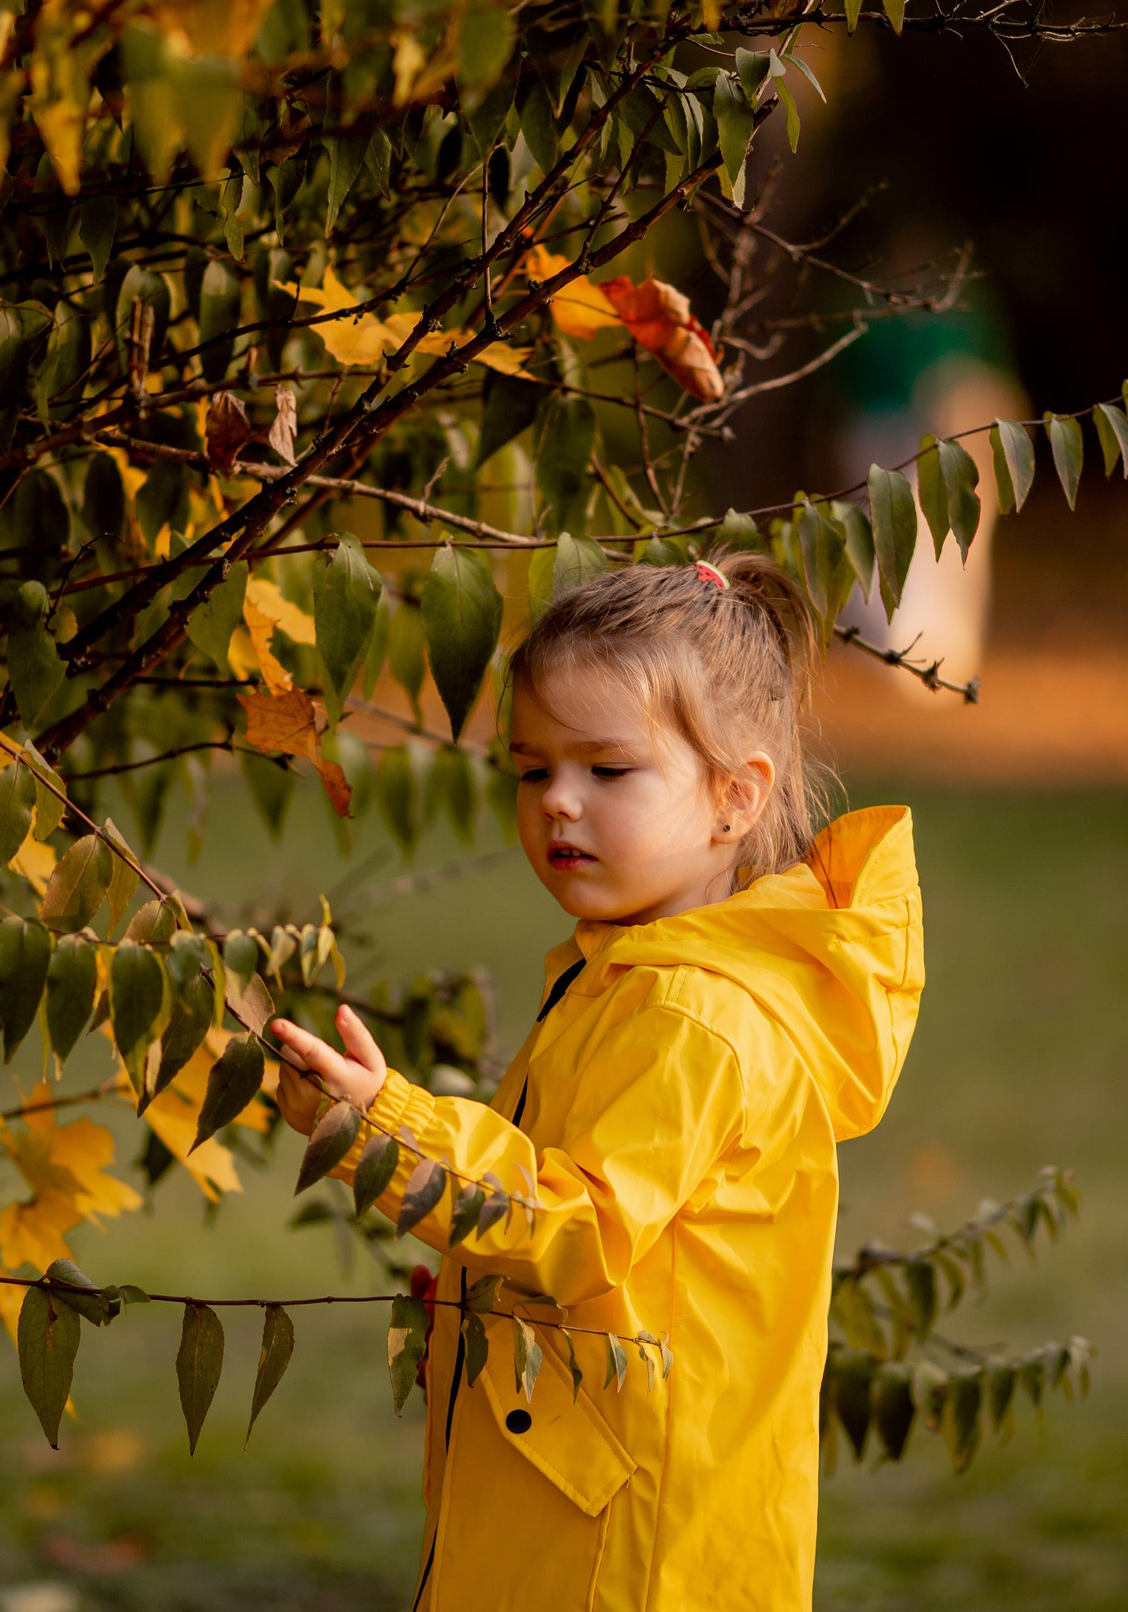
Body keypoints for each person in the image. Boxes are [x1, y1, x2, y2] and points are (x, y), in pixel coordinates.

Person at [269, 552, 924, 1611]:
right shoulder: (624, 976)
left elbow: (581, 1223)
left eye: (607, 771)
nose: (559, 804)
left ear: (732, 798)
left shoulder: (690, 1015)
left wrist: (387, 1131)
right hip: (589, 1500)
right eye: (533, 770)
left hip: (625, 1548)